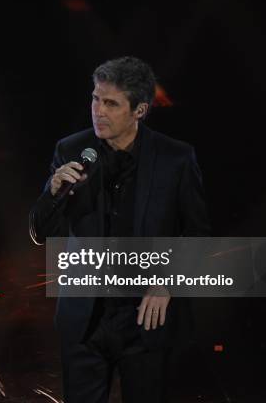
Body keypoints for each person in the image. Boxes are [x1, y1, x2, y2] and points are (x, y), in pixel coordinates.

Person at [29, 57, 210, 402]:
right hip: (84, 320)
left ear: (140, 110)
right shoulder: (70, 150)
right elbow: (41, 232)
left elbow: (198, 234)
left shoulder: (176, 158)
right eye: (95, 98)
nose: (98, 110)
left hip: (145, 321)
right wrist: (51, 193)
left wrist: (168, 283)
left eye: (110, 103)